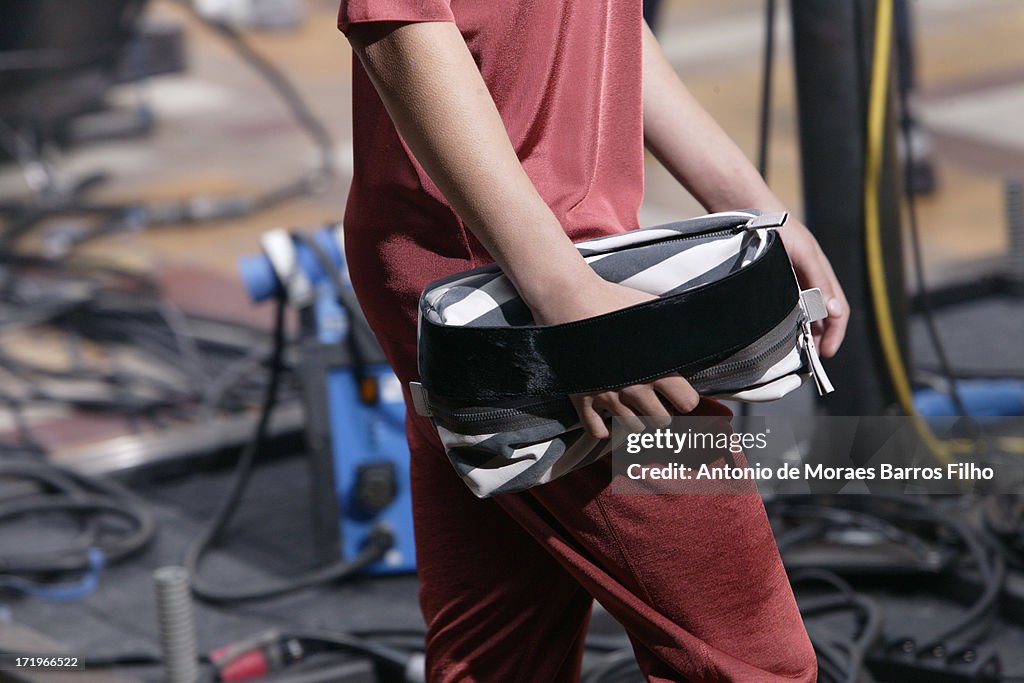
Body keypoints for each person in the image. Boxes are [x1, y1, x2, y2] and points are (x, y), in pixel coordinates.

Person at [337, 1, 848, 681]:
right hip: (508, 279)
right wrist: (571, 307)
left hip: (520, 264)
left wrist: (757, 207)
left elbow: (605, 22)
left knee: (498, 652)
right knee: (750, 658)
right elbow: (399, 33)